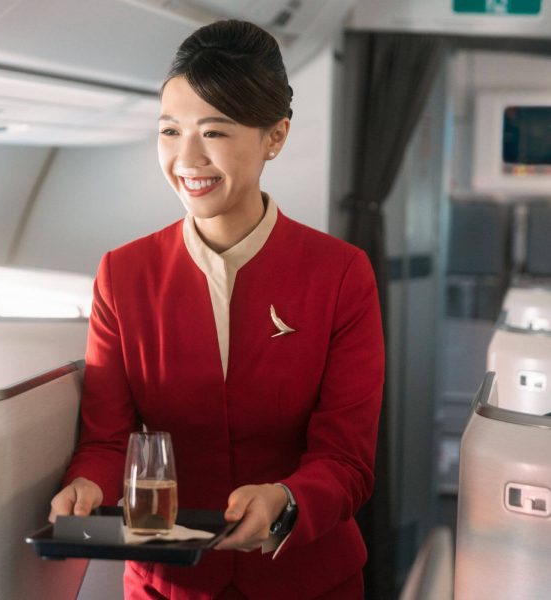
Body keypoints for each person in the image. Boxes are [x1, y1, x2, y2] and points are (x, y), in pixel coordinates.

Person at [48, 19, 384, 600]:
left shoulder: (340, 273)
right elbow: (109, 440)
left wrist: (286, 499)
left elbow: (347, 460)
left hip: (303, 580)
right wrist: (85, 486)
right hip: (168, 583)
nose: (187, 158)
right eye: (170, 130)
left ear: (274, 137)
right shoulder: (124, 275)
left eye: (215, 132)